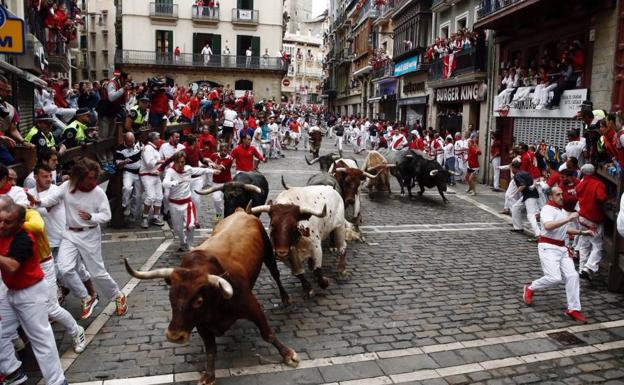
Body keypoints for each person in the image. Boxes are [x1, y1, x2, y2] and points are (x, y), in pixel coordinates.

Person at [29, 158, 127, 320]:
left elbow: (106, 215)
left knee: (97, 273)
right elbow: (51, 199)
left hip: (89, 234)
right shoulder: (67, 186)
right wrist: (37, 202)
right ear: (79, 177)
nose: (93, 181)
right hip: (69, 233)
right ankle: (86, 298)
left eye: (95, 177)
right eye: (90, 178)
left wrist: (91, 216)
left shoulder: (97, 192)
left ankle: (117, 295)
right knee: (64, 268)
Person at [0, 203, 69, 385]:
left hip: (31, 292)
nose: (2, 225)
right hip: (11, 291)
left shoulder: (24, 237)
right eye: (0, 221)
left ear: (20, 223)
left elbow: (12, 266)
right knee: (1, 333)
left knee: (41, 339)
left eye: (7, 222)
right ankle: (13, 371)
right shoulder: (3, 233)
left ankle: (57, 381)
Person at [522, 187, 589, 323]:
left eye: (561, 194)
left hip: (562, 248)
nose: (561, 196)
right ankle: (530, 287)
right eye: (557, 194)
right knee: (554, 278)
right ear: (551, 197)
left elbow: (564, 229)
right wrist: (569, 218)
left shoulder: (561, 210)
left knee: (573, 275)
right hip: (548, 247)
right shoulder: (547, 209)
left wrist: (582, 232)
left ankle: (573, 309)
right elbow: (548, 226)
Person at [162, 151, 219, 251]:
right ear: (175, 162)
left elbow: (199, 170)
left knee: (191, 225)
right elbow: (165, 183)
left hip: (187, 203)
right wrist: (173, 183)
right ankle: (182, 242)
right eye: (179, 162)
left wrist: (213, 171)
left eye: (183, 162)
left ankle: (189, 244)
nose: (181, 164)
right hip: (174, 204)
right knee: (178, 229)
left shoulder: (188, 169)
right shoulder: (170, 172)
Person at [575, 163, 607, 279]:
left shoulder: (581, 183)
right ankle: (589, 267)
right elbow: (601, 197)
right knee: (597, 245)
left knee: (584, 244)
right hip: (593, 218)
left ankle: (581, 268)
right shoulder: (598, 183)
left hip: (582, 217)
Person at [140, 132, 165, 228]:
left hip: (155, 175)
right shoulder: (148, 148)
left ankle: (155, 217)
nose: (159, 140)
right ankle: (144, 217)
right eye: (158, 138)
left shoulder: (155, 149)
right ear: (153, 140)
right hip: (147, 175)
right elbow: (149, 163)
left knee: (159, 197)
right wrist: (162, 161)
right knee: (150, 197)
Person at [510, 160, 541, 240]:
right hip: (528, 195)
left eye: (511, 168)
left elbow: (522, 185)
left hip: (530, 196)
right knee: (515, 207)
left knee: (531, 215)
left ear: (513, 167)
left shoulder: (517, 175)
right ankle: (518, 227)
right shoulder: (524, 172)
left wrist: (514, 194)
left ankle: (538, 235)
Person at [115, 132, 143, 218]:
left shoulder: (139, 144)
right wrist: (123, 162)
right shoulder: (119, 149)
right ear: (125, 140)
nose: (131, 144)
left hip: (139, 173)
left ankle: (134, 214)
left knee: (138, 195)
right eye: (129, 142)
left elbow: (144, 147)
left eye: (132, 142)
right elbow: (118, 165)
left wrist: (144, 148)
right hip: (128, 172)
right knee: (127, 188)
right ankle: (125, 205)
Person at [209, 143, 233, 221]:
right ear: (219, 149)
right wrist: (209, 163)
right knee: (216, 199)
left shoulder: (229, 158)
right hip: (216, 182)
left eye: (225, 150)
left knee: (228, 201)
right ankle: (218, 213)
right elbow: (207, 162)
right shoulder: (214, 155)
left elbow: (219, 169)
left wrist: (212, 164)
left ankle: (228, 216)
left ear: (228, 150)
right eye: (222, 150)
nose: (223, 152)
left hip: (227, 183)